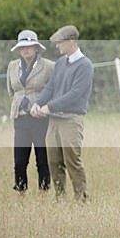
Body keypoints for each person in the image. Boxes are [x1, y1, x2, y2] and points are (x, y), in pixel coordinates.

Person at [30, 25, 94, 201]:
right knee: (53, 160)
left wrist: (49, 107)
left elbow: (74, 94)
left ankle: (81, 199)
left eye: (60, 42)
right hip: (54, 121)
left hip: (71, 119)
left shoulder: (85, 65)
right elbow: (50, 88)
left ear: (72, 41)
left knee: (72, 160)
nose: (57, 46)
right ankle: (60, 197)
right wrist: (38, 103)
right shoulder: (60, 63)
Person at [7, 30, 55, 194]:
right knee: (20, 161)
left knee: (42, 159)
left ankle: (44, 193)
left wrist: (43, 107)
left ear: (36, 48)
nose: (25, 50)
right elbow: (12, 91)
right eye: (22, 47)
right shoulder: (12, 66)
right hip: (20, 119)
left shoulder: (49, 66)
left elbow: (54, 90)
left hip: (41, 119)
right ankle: (21, 193)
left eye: (29, 46)